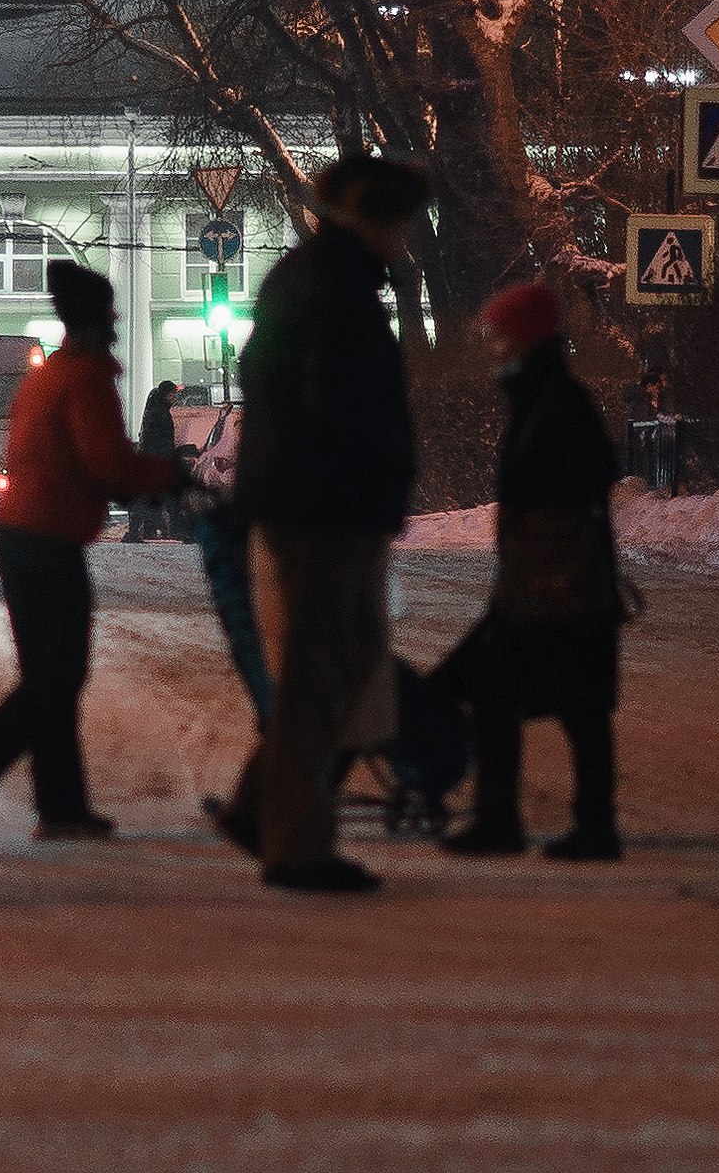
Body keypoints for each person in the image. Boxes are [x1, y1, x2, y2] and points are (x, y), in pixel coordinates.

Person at [208, 152, 432, 894]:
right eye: (398, 221)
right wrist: (358, 481)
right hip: (326, 507)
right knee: (321, 669)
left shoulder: (319, 280)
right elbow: (335, 407)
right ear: (371, 216)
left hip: (323, 501)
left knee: (343, 659)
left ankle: (255, 809)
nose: (405, 236)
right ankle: (296, 845)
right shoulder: (332, 287)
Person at [0, 262, 183, 840]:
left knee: (51, 672)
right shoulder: (84, 378)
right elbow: (107, 463)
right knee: (58, 674)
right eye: (111, 314)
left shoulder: (46, 377)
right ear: (94, 319)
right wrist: (170, 476)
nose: (117, 324)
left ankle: (60, 806)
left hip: (25, 535)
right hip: (47, 540)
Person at [440, 281, 622, 862]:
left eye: (501, 335)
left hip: (557, 582)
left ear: (526, 337)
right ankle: (578, 824)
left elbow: (581, 480)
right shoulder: (544, 396)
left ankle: (523, 823)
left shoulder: (552, 402)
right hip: (551, 580)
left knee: (553, 700)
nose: (494, 347)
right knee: (564, 702)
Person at [122, 380, 182, 542]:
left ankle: (143, 531)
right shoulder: (159, 414)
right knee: (164, 498)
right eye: (171, 395)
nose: (173, 398)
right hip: (157, 462)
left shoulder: (156, 411)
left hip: (153, 462)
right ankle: (173, 531)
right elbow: (160, 441)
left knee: (150, 498)